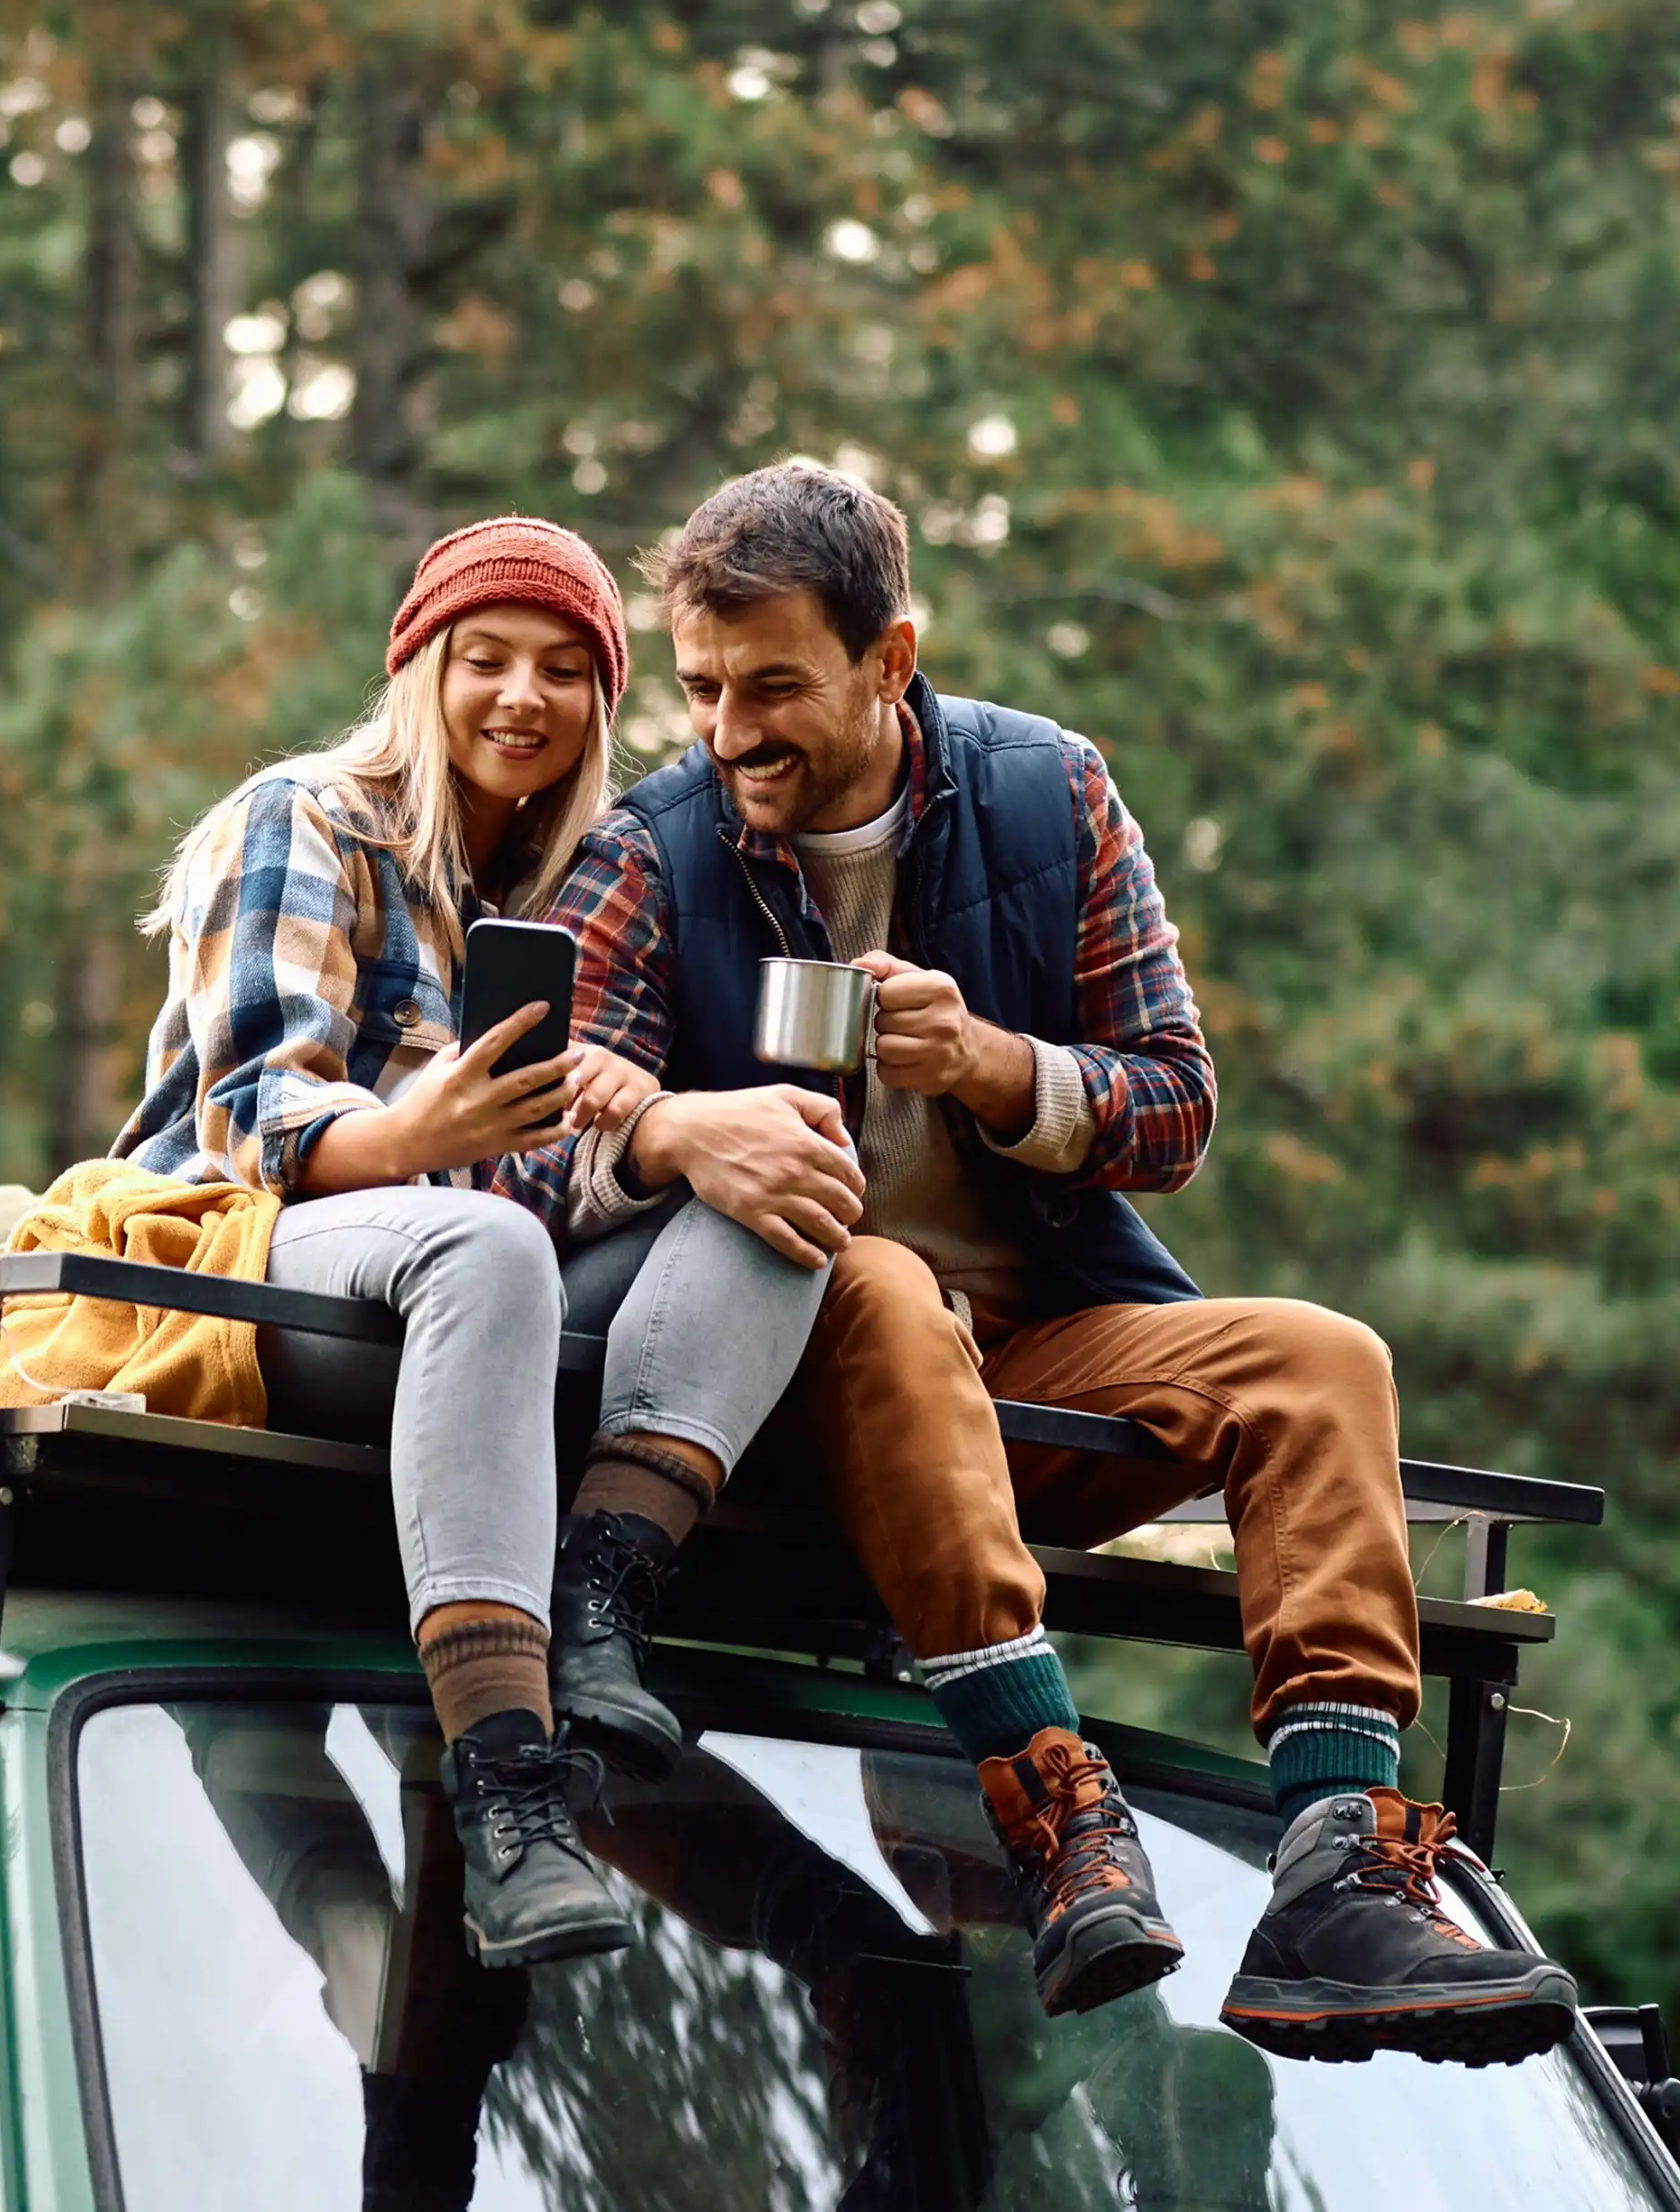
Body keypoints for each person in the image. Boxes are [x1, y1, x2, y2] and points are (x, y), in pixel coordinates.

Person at [515, 462, 1580, 2064]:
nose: (730, 732)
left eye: (776, 687)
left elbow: (1175, 1103)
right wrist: (678, 1137)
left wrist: (1006, 1072)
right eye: (703, 688)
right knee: (873, 1278)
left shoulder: (1047, 792)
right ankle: (1053, 1807)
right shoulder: (651, 853)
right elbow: (515, 1149)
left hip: (1032, 1368)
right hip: (790, 1410)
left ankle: (1335, 1878)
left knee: (1323, 1361)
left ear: (892, 659)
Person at [119, 516, 831, 1970]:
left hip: (475, 1284)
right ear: (421, 670)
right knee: (480, 1249)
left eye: (567, 671)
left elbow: (567, 1172)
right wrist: (415, 1138)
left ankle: (602, 1596)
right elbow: (251, 1112)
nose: (524, 696)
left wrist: (682, 1134)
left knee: (778, 1185)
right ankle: (514, 1789)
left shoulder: (586, 880)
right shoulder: (309, 815)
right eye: (487, 659)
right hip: (248, 1254)